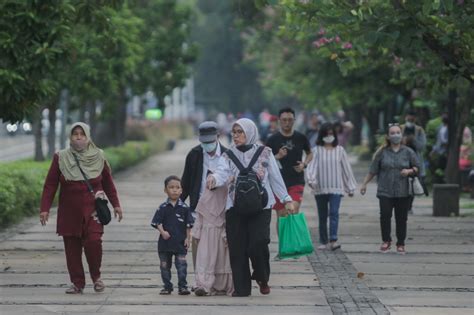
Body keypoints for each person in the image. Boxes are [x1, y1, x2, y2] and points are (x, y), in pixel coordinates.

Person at [206, 118, 295, 297]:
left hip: (261, 207)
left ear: (250, 133)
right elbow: (221, 172)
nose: (236, 136)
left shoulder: (265, 153)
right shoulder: (228, 155)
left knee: (258, 243)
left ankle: (262, 277)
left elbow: (275, 178)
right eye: (234, 132)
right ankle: (242, 288)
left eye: (240, 132)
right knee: (237, 248)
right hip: (235, 207)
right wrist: (214, 178)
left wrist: (286, 199)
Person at [39, 122, 123, 294]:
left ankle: (96, 277)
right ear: (70, 137)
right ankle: (77, 283)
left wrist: (116, 205)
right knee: (72, 249)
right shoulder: (60, 157)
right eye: (75, 134)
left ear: (88, 136)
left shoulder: (99, 156)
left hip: (94, 211)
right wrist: (44, 208)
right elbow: (50, 185)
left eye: (82, 134)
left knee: (94, 243)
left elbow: (108, 183)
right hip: (69, 212)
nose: (78, 137)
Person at [360, 123, 419, 254]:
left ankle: (401, 243)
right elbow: (373, 170)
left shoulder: (408, 152)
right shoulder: (382, 152)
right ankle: (386, 241)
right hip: (384, 190)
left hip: (403, 191)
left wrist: (409, 171)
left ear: (401, 135)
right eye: (392, 133)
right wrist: (364, 184)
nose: (395, 135)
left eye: (398, 132)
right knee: (385, 216)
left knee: (401, 218)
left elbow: (417, 168)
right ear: (388, 136)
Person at [181, 121, 227, 270]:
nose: (208, 146)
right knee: (197, 242)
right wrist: (177, 206)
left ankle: (216, 279)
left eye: (210, 142)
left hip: (220, 209)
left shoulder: (227, 155)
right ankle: (199, 279)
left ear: (218, 136)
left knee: (218, 246)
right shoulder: (194, 155)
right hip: (198, 206)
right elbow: (185, 183)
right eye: (204, 142)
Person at [266, 107, 312, 256]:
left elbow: (310, 153)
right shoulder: (273, 139)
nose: (287, 123)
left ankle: (294, 243)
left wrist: (304, 164)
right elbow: (263, 159)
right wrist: (277, 156)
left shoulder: (301, 137)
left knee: (293, 209)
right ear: (279, 121)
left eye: (290, 120)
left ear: (294, 120)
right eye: (284, 120)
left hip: (296, 180)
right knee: (282, 214)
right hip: (278, 183)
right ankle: (284, 246)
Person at [306, 123, 357, 251]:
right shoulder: (316, 150)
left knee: (334, 213)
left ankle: (333, 240)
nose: (329, 136)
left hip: (336, 188)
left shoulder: (340, 150)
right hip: (320, 188)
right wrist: (311, 180)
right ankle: (323, 241)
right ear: (322, 135)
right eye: (326, 134)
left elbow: (346, 169)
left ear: (334, 135)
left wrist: (350, 187)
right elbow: (312, 167)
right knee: (322, 215)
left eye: (331, 134)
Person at [151, 175, 194, 295]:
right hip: (165, 244)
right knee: (165, 266)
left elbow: (188, 225)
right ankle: (167, 286)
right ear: (165, 190)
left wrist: (188, 238)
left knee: (182, 266)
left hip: (180, 243)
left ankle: (183, 286)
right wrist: (162, 231)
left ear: (181, 190)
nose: (174, 190)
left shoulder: (185, 208)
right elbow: (156, 222)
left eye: (177, 187)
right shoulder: (162, 207)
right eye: (171, 187)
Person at [192, 184, 233, 296]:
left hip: (221, 233)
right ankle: (203, 285)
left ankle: (221, 285)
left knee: (220, 258)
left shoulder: (227, 194)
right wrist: (197, 233)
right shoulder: (206, 197)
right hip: (207, 233)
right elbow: (199, 217)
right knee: (206, 258)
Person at [401, 110, 427, 213]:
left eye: (412, 119)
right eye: (408, 118)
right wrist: (404, 140)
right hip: (401, 160)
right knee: (402, 183)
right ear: (405, 117)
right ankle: (402, 205)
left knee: (413, 183)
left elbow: (422, 147)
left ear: (415, 119)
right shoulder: (400, 128)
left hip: (414, 161)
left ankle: (409, 206)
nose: (410, 120)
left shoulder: (419, 130)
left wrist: (413, 140)